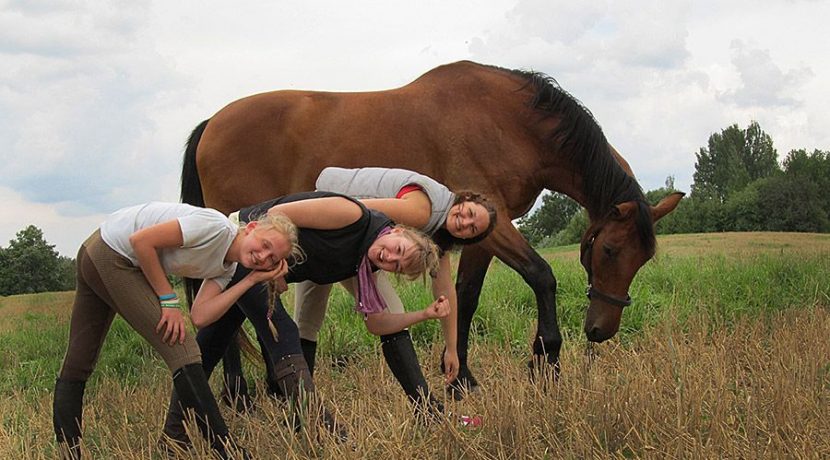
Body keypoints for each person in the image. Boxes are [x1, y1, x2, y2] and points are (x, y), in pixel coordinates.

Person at [162, 192, 446, 444]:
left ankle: (173, 435)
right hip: (247, 245)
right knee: (281, 331)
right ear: (396, 230)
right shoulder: (353, 216)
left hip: (260, 265)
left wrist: (423, 314)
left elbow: (376, 324)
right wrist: (276, 268)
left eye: (397, 266)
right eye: (398, 249)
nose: (389, 258)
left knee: (211, 344)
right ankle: (315, 425)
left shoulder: (363, 265)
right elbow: (276, 215)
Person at [222, 167, 498, 416]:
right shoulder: (420, 212)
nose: (464, 223)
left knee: (310, 321)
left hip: (351, 253)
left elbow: (445, 292)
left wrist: (451, 349)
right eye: (469, 213)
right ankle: (421, 407)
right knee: (310, 320)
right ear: (464, 199)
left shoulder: (438, 233)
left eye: (472, 230)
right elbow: (362, 212)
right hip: (336, 234)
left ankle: (292, 399)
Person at [53, 202, 298, 459]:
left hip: (98, 249)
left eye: (272, 259)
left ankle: (68, 454)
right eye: (266, 245)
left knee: (78, 363)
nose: (263, 256)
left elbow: (201, 316)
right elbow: (142, 240)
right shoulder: (216, 227)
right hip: (113, 254)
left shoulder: (227, 267)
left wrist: (251, 280)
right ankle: (228, 451)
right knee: (183, 349)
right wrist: (167, 299)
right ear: (251, 228)